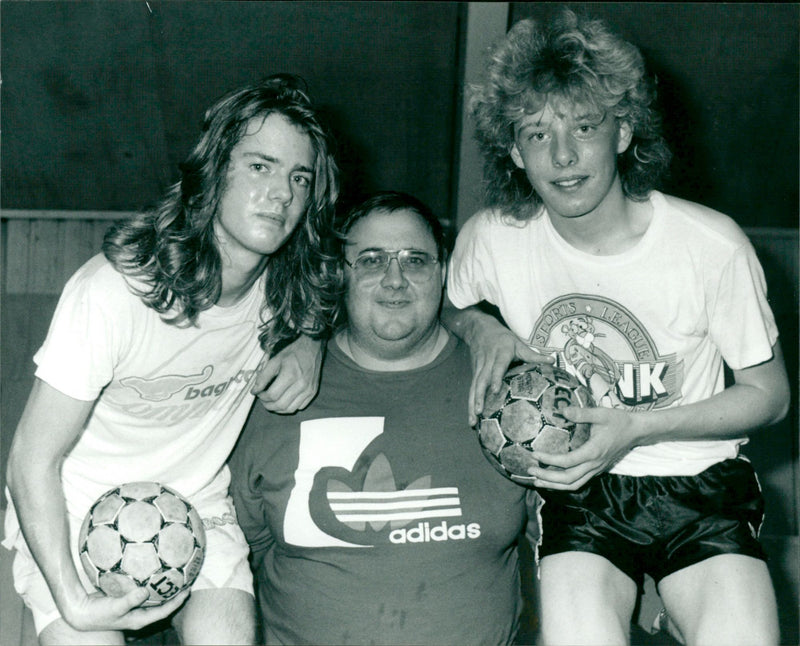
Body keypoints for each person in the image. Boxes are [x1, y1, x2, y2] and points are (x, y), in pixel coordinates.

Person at [443, 9, 790, 646]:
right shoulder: (493, 239)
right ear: (515, 151)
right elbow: (447, 305)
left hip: (701, 484)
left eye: (585, 125)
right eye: (538, 134)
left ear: (624, 131)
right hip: (581, 494)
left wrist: (639, 427)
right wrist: (477, 328)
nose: (564, 155)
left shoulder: (709, 244)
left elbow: (769, 397)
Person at [3, 74, 338, 645]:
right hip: (76, 509)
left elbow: (369, 288)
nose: (281, 193)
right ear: (215, 172)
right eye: (260, 166)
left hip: (196, 506)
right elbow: (29, 462)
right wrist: (73, 602)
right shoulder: (114, 293)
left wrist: (311, 341)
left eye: (298, 177)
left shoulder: (290, 287)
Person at [229, 191, 540, 646]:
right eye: (372, 261)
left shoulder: (509, 396)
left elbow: (551, 547)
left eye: (415, 260)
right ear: (339, 273)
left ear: (443, 271)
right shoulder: (278, 392)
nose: (395, 280)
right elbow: (237, 559)